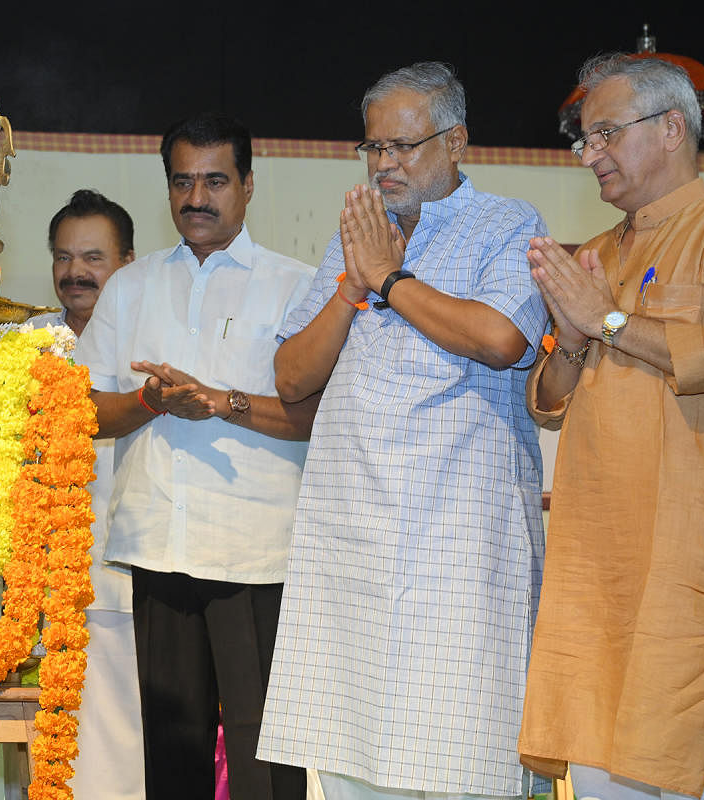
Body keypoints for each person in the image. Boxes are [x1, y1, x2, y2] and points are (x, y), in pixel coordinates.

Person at [258, 62, 549, 800]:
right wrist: (353, 285)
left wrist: (391, 282)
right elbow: (293, 376)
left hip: (460, 546)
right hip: (355, 542)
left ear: (456, 142)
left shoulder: (507, 223)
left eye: (402, 146)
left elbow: (500, 339)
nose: (385, 164)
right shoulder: (355, 234)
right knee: (354, 756)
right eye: (373, 148)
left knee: (464, 758)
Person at [75, 112, 317, 800]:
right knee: (171, 760)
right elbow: (88, 408)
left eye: (215, 180)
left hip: (256, 557)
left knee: (265, 766)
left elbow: (315, 417)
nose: (197, 198)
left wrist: (222, 401)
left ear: (247, 185)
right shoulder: (132, 284)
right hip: (159, 548)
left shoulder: (294, 287)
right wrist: (152, 403)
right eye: (182, 182)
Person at [517, 54, 704, 800]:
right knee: (599, 771)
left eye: (604, 133)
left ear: (671, 128)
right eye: (581, 140)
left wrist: (610, 320)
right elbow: (547, 399)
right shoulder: (592, 255)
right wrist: (572, 335)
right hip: (596, 570)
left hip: (682, 564)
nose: (589, 154)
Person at [33, 188, 143, 799]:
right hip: (41, 582)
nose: (75, 273)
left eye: (92, 258)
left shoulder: (148, 345)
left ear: (128, 263)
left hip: (127, 579)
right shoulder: (27, 345)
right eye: (63, 257)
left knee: (124, 750)